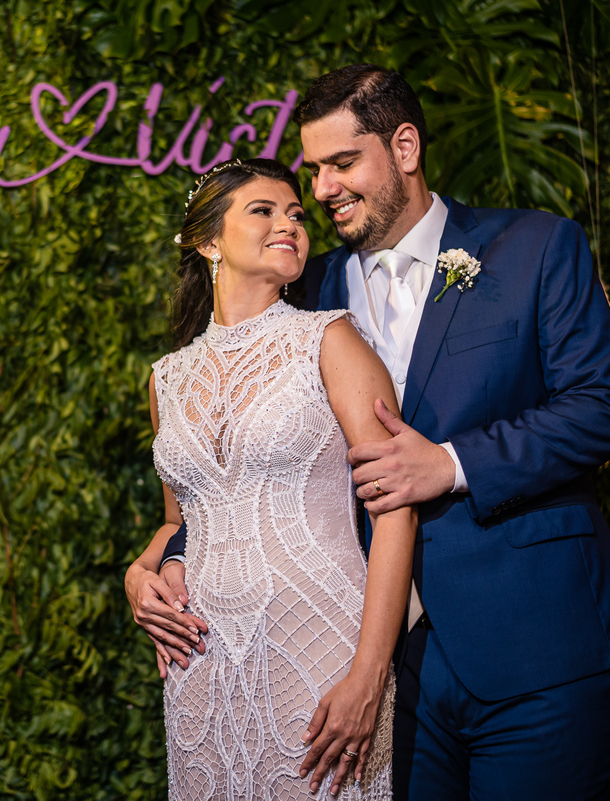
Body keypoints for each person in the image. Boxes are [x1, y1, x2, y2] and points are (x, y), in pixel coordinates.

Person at [142, 65, 610, 800]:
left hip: (537, 646)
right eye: (313, 169)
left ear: (404, 147)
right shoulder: (309, 294)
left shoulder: (534, 248)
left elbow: (603, 404)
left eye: (341, 163)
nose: (319, 190)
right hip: (387, 671)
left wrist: (451, 462)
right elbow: (249, 467)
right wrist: (166, 556)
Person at [124, 156, 416, 800]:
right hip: (200, 661)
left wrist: (369, 674)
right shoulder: (166, 379)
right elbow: (180, 522)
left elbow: (395, 510)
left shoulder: (331, 341)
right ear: (207, 241)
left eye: (296, 214)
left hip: (320, 646)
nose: (289, 224)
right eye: (263, 210)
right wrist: (137, 575)